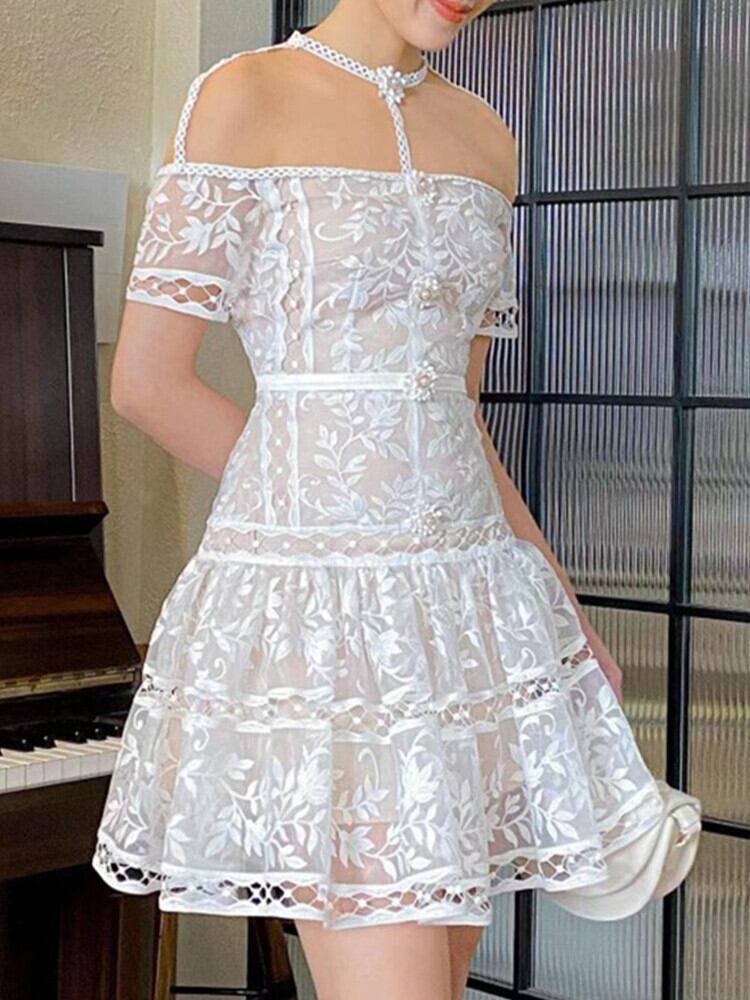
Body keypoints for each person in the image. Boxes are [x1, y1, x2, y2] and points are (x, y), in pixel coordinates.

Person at [92, 3, 666, 998]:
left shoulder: (486, 136)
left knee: (441, 974)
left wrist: (562, 609)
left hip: (466, 621)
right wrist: (326, 505)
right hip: (329, 630)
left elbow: (459, 419)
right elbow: (147, 384)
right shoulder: (243, 96)